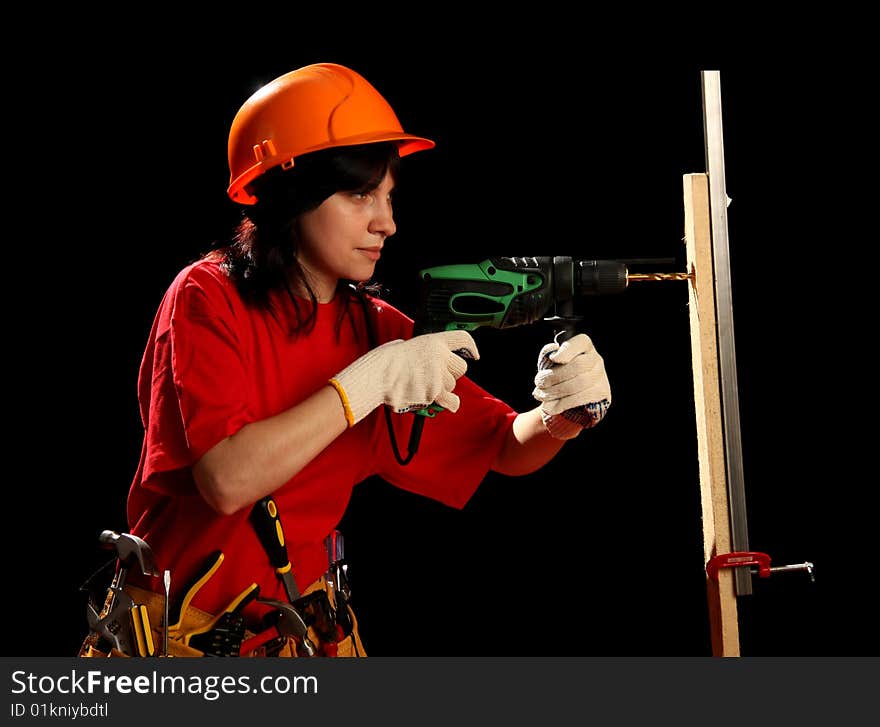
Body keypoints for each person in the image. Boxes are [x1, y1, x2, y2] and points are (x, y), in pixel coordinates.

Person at [78, 62, 611, 658]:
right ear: (291, 193)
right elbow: (227, 481)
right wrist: (363, 385)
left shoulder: (374, 330)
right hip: (179, 648)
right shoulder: (206, 298)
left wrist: (563, 413)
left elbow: (505, 445)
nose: (387, 222)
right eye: (360, 194)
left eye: (388, 196)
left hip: (302, 638)